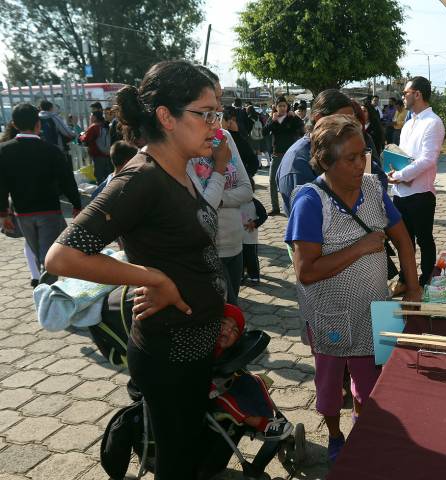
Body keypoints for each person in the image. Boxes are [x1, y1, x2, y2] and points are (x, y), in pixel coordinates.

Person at [45, 60, 227, 479]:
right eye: (206, 114)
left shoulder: (179, 169)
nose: (215, 127)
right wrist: (153, 278)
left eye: (217, 114)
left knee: (188, 450)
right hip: (169, 350)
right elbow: (62, 257)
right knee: (176, 463)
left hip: (193, 341)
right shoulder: (141, 178)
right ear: (166, 116)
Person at [285, 114, 421, 462]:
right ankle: (334, 436)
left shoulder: (374, 189)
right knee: (330, 388)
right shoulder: (310, 201)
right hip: (330, 316)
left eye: (363, 155)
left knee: (372, 383)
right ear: (326, 161)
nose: (361, 164)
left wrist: (413, 286)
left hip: (373, 311)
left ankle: (363, 426)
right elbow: (306, 272)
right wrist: (360, 247)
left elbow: (404, 240)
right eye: (351, 158)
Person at [188, 66, 254, 307]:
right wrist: (220, 166)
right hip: (208, 251)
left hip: (235, 243)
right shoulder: (187, 147)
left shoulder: (224, 137)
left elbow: (247, 190)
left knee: (232, 312)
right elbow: (204, 206)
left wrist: (221, 199)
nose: (218, 105)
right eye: (213, 97)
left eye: (219, 97)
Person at [0, 103, 81, 283]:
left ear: (14, 124)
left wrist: (3, 213)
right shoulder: (51, 150)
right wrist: (76, 204)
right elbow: (67, 181)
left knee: (37, 253)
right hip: (49, 210)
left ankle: (42, 285)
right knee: (48, 257)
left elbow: (1, 186)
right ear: (38, 124)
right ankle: (47, 291)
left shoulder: (3, 151)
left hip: (22, 212)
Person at [276, 89, 388, 215]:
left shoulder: (349, 148)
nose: (350, 128)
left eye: (352, 121)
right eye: (342, 121)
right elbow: (309, 215)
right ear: (319, 118)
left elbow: (380, 181)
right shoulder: (297, 162)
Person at [389, 76, 445, 294]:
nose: (403, 96)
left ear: (418, 94)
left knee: (424, 240)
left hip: (420, 193)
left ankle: (425, 281)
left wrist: (401, 174)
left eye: (406, 93)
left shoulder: (433, 122)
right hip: (400, 192)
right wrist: (393, 170)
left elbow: (428, 159)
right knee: (404, 241)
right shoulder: (408, 123)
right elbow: (402, 156)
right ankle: (405, 279)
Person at [213, 304, 292, 440]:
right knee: (226, 400)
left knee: (255, 380)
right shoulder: (204, 348)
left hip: (227, 382)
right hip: (213, 394)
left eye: (234, 331)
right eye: (223, 323)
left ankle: (272, 416)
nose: (228, 330)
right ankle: (263, 425)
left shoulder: (229, 351)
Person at [262, 96, 305, 215]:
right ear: (276, 107)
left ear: (287, 106)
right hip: (277, 154)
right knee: (272, 181)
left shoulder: (291, 118)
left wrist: (295, 116)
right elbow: (264, 132)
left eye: (284, 106)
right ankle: (275, 207)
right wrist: (272, 121)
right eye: (280, 106)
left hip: (291, 155)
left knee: (292, 181)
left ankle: (294, 207)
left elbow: (302, 130)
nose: (282, 108)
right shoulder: (272, 118)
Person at [80, 110, 113, 183]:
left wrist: (82, 135)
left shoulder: (94, 126)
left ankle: (102, 190)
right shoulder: (105, 125)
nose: (90, 117)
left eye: (91, 116)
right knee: (108, 176)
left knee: (99, 176)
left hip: (98, 155)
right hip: (107, 154)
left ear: (94, 117)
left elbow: (86, 139)